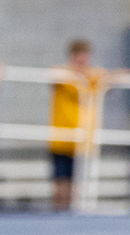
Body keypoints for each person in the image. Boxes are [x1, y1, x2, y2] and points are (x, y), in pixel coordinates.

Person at [49, 39, 109, 210]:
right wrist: (77, 75)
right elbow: (52, 74)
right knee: (61, 186)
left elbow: (120, 76)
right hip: (62, 140)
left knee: (79, 187)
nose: (82, 64)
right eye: (79, 60)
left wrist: (98, 76)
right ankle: (58, 217)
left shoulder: (93, 77)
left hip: (84, 143)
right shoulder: (64, 76)